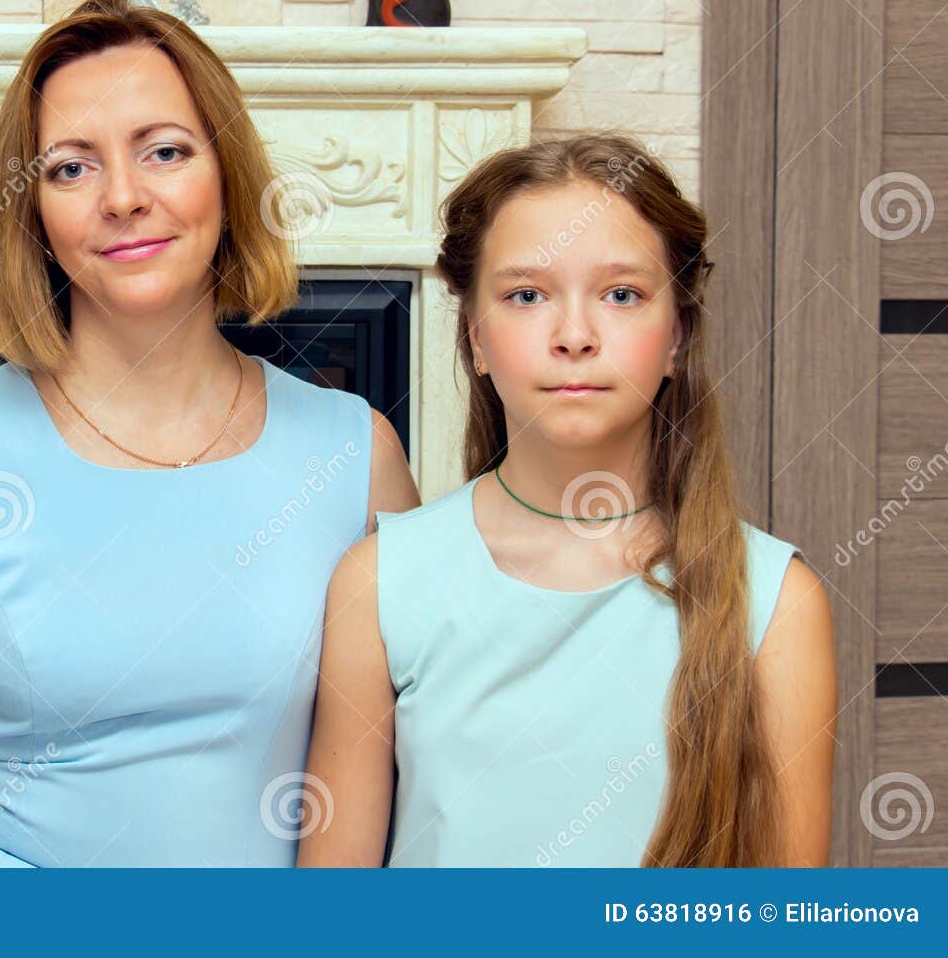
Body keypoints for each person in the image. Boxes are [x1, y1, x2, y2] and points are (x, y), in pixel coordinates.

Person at [0, 0, 421, 866]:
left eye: (166, 152)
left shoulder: (355, 453)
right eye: (70, 168)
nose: (124, 198)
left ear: (228, 176)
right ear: (33, 213)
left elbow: (412, 755)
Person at [297, 133, 837, 867]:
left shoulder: (778, 600)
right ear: (477, 338)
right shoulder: (379, 583)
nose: (575, 335)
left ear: (676, 334)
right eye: (527, 295)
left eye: (621, 294)